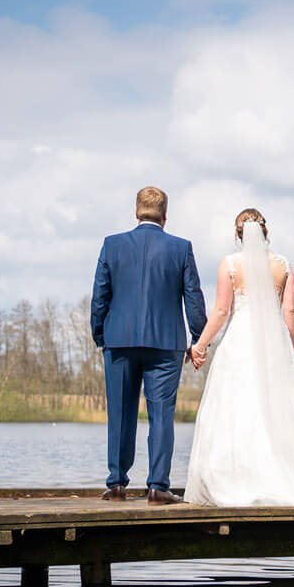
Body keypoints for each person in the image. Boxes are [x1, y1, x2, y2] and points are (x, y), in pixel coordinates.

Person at [184, 209, 294, 507]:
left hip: (240, 341)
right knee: (277, 408)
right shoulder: (284, 265)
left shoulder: (230, 264)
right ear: (265, 232)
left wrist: (200, 345)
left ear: (238, 234)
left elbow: (222, 311)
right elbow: (290, 311)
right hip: (275, 342)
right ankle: (286, 475)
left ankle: (235, 477)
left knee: (237, 407)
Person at [90, 186, 207, 504]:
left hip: (119, 341)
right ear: (165, 215)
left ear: (136, 211)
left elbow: (101, 294)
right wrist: (198, 338)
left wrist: (100, 335)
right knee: (161, 415)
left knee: (120, 413)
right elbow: (193, 297)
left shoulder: (111, 245)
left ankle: (116, 484)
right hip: (165, 343)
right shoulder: (181, 248)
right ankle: (158, 486)